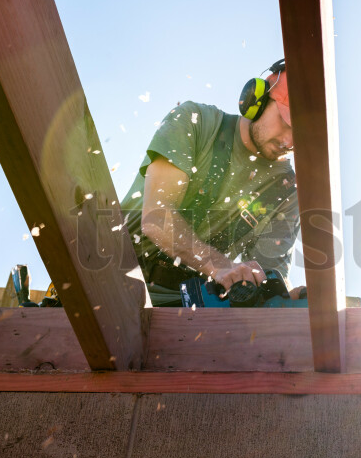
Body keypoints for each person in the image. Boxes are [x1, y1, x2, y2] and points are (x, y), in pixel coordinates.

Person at [122, 59, 305, 307]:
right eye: (285, 122)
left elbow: (267, 276)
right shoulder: (195, 121)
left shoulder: (286, 191)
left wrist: (287, 299)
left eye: (299, 136)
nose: (288, 141)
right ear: (257, 100)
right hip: (114, 275)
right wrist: (220, 265)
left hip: (185, 305)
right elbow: (156, 217)